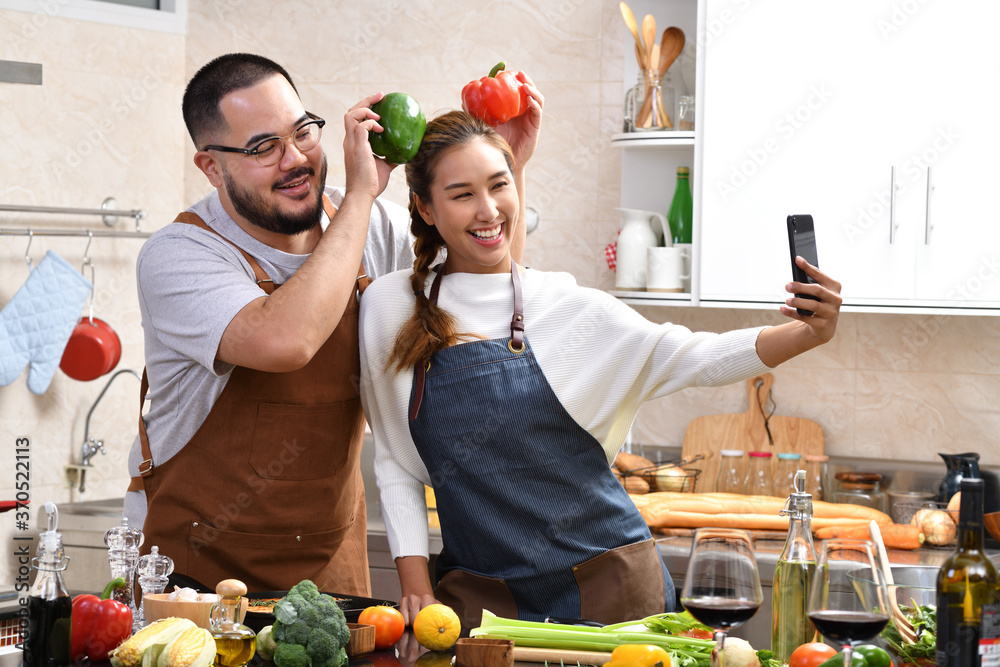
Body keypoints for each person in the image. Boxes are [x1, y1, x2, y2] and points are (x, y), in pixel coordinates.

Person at [358, 110, 843, 631]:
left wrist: (807, 333)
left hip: (613, 590)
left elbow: (692, 355)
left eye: (500, 185)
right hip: (480, 599)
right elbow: (394, 462)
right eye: (462, 194)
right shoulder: (390, 307)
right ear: (425, 209)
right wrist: (415, 587)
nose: (488, 209)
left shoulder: (566, 305)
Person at [123, 53, 417, 595]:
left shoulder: (371, 225)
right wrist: (357, 197)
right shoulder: (178, 254)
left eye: (303, 131)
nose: (296, 159)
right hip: (195, 576)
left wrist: (512, 166)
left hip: (332, 575)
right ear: (212, 167)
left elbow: (479, 298)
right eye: (264, 147)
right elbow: (285, 340)